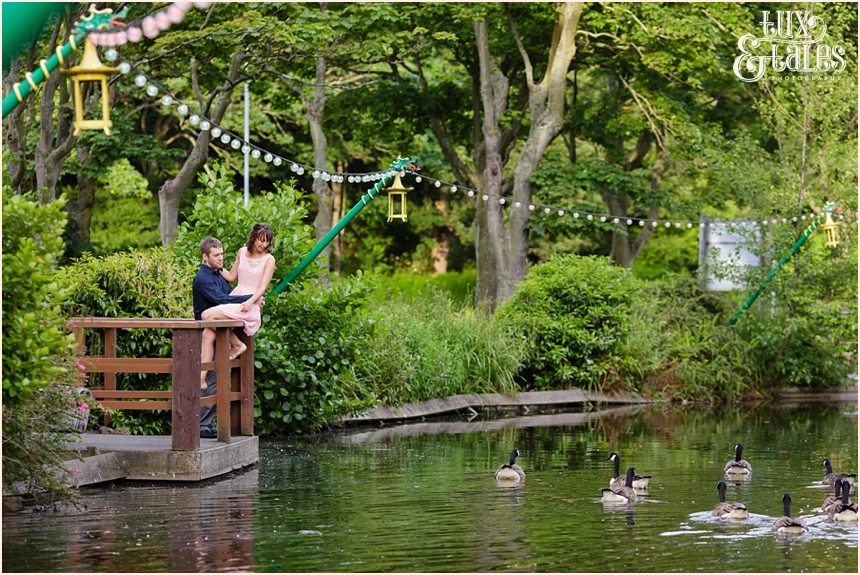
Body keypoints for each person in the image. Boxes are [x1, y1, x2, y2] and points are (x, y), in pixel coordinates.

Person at [200, 223, 276, 390]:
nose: (264, 245)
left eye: (267, 242)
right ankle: (202, 378)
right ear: (253, 238)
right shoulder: (242, 251)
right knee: (208, 331)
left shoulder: (269, 259)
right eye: (261, 240)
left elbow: (262, 287)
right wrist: (214, 266)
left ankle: (237, 345)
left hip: (250, 302)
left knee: (207, 316)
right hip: (236, 297)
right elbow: (231, 276)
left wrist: (251, 301)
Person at [192, 237, 253, 438]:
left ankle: (206, 425)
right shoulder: (202, 278)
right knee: (210, 378)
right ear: (205, 257)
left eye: (222, 254)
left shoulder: (219, 275)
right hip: (205, 334)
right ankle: (201, 426)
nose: (220, 258)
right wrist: (251, 298)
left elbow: (230, 294)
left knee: (216, 379)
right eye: (216, 255)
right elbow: (221, 300)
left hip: (220, 332)